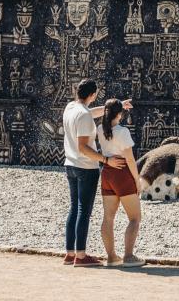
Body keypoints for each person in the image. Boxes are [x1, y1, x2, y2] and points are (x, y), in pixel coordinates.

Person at [62, 78, 131, 267]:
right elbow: (84, 147)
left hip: (70, 165)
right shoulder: (83, 116)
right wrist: (106, 160)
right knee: (84, 211)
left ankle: (70, 253)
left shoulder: (70, 108)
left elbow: (90, 112)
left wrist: (119, 106)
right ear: (92, 94)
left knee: (74, 208)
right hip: (85, 167)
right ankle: (81, 256)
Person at [97, 98, 145, 267]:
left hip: (107, 173)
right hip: (123, 173)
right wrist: (137, 180)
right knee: (135, 217)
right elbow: (130, 160)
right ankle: (129, 256)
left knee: (108, 217)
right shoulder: (122, 132)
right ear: (120, 114)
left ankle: (111, 257)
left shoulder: (99, 130)